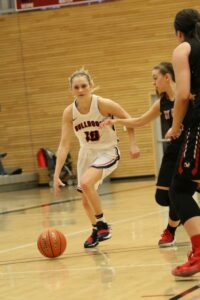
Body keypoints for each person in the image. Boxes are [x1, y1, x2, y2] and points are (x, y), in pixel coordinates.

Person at [100, 61, 193, 248]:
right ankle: (183, 215)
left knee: (178, 193)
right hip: (172, 151)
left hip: (190, 149)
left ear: (167, 77)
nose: (154, 82)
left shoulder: (187, 96)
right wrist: (117, 121)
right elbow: (141, 120)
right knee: (162, 197)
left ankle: (171, 231)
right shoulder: (162, 103)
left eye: (155, 78)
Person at [53, 68, 140, 249]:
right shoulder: (69, 113)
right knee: (85, 201)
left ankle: (103, 225)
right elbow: (64, 144)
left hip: (107, 151)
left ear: (91, 86)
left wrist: (133, 143)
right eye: (76, 87)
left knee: (86, 183)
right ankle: (95, 229)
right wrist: (56, 173)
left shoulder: (103, 104)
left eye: (84, 85)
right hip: (87, 153)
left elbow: (128, 119)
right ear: (71, 90)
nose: (80, 90)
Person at [164, 8, 200, 277]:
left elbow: (184, 93)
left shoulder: (183, 49)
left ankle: (199, 253)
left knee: (180, 188)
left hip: (198, 122)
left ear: (179, 32)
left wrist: (176, 126)